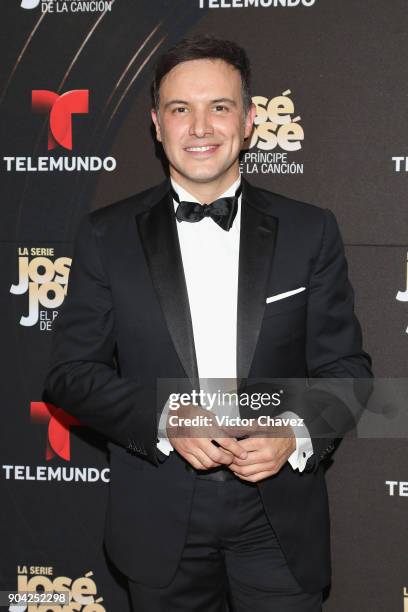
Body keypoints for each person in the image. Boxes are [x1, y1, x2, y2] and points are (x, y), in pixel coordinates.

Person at [44, 35, 372, 611]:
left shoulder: (310, 230)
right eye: (180, 109)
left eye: (218, 107)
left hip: (279, 522)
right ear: (156, 123)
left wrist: (293, 432)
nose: (200, 127)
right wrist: (167, 417)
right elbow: (70, 376)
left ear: (248, 120)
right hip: (157, 520)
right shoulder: (105, 235)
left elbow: (348, 372)